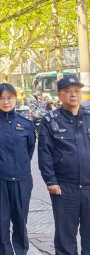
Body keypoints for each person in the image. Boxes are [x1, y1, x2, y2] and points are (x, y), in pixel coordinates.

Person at [38, 76, 90, 255]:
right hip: (65, 187)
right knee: (65, 235)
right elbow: (44, 152)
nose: (73, 95)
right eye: (68, 91)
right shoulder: (50, 120)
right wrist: (50, 180)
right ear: (59, 95)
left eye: (76, 91)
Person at [0, 83, 35, 255]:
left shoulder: (26, 123)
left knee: (21, 221)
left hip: (22, 180)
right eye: (2, 98)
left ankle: (21, 251)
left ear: (16, 98)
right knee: (2, 221)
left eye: (10, 98)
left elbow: (30, 149)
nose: (6, 102)